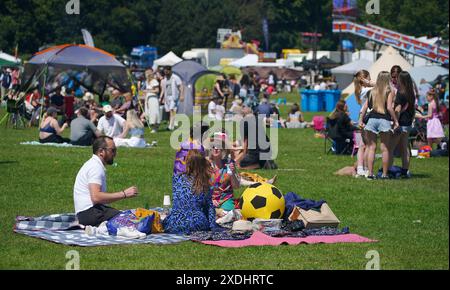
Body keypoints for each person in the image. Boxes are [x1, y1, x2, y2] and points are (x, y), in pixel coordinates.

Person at [74, 136, 138, 226]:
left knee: (125, 217)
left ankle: (103, 227)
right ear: (101, 152)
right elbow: (96, 197)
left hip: (87, 213)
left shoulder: (93, 164)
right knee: (131, 220)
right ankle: (102, 228)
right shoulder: (95, 167)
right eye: (112, 150)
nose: (115, 154)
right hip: (91, 213)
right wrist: (124, 194)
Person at [163, 149, 219, 234]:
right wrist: (212, 227)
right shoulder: (204, 183)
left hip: (175, 223)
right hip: (196, 223)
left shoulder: (176, 178)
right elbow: (209, 207)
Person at [359, 71, 398, 180]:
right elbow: (390, 108)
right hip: (384, 120)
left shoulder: (372, 91)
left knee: (371, 148)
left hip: (371, 120)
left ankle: (370, 173)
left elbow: (365, 108)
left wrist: (361, 120)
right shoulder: (389, 91)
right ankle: (385, 174)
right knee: (385, 148)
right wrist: (395, 120)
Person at [388, 71, 416, 178]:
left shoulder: (400, 94)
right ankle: (405, 170)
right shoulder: (411, 94)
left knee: (390, 148)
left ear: (401, 80)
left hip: (401, 124)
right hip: (408, 124)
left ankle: (388, 169)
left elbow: (398, 110)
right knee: (405, 148)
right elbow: (413, 109)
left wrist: (395, 122)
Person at [204, 137, 240, 214]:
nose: (216, 149)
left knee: (227, 213)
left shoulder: (228, 165)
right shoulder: (206, 166)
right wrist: (211, 200)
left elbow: (236, 186)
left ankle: (218, 213)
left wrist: (233, 173)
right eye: (213, 147)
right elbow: (202, 187)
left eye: (219, 147)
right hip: (210, 199)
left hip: (226, 199)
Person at [237, 105, 275, 170]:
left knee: (241, 165)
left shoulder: (244, 122)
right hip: (267, 150)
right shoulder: (259, 118)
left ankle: (261, 165)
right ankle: (265, 161)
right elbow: (271, 121)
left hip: (256, 153)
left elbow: (245, 142)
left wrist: (243, 156)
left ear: (243, 115)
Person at [354, 70, 375, 177]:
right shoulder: (366, 90)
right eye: (369, 78)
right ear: (363, 80)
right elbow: (381, 87)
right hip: (366, 117)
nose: (370, 80)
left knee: (363, 144)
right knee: (366, 145)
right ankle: (364, 168)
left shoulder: (361, 89)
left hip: (363, 116)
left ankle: (361, 167)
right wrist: (370, 83)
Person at [160, 66, 184, 131]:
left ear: (170, 70)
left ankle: (171, 126)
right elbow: (164, 89)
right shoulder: (165, 79)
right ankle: (172, 124)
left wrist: (182, 95)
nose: (166, 71)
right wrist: (162, 98)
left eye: (167, 70)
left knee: (172, 110)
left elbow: (181, 86)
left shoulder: (175, 77)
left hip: (174, 97)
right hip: (167, 97)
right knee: (169, 111)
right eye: (165, 70)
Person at [142, 69, 160, 133]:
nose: (145, 75)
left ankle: (155, 127)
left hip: (153, 99)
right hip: (148, 99)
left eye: (146, 73)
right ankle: (153, 127)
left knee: (154, 113)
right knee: (149, 113)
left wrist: (148, 91)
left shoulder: (154, 81)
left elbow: (157, 90)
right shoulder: (147, 82)